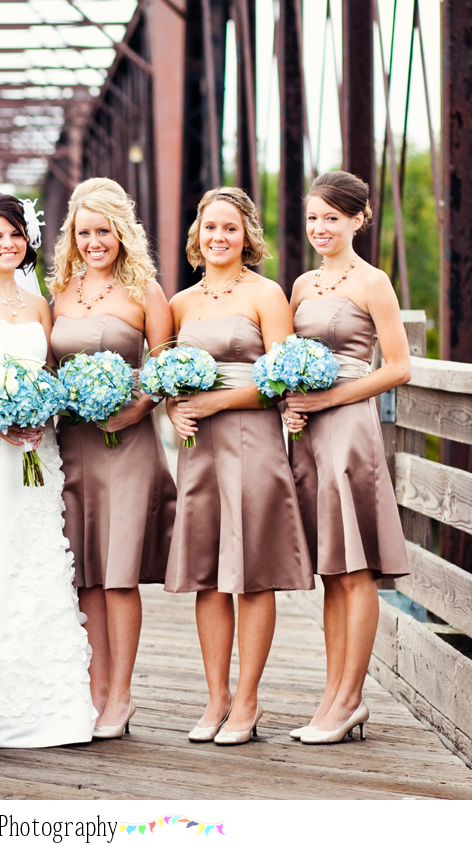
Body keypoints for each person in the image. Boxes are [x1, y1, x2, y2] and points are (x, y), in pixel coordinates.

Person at [0, 194, 96, 747]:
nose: (8, 244)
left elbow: (48, 373)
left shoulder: (38, 304)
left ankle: (43, 700)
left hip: (35, 448)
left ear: (27, 241)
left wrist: (38, 413)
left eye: (16, 234)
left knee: (32, 556)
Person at [164, 187, 313, 745]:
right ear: (197, 235)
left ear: (247, 235)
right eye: (210, 227)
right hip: (198, 449)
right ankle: (216, 698)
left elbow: (284, 378)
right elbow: (165, 378)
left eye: (230, 227)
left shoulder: (266, 294)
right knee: (207, 574)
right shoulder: (181, 303)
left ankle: (248, 700)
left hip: (252, 442)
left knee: (250, 572)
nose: (219, 237)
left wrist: (217, 403)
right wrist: (175, 408)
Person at [284, 171, 411, 744]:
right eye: (313, 217)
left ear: (358, 220)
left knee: (356, 569)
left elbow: (398, 367)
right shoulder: (302, 284)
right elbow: (285, 357)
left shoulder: (373, 282)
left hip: (350, 427)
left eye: (332, 218)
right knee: (331, 570)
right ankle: (331, 698)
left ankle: (350, 699)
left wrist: (329, 399)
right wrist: (289, 403)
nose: (320, 228)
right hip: (309, 432)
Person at [48, 177, 176, 739]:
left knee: (119, 575)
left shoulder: (145, 290)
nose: (94, 242)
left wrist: (138, 408)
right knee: (85, 574)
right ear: (71, 237)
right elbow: (47, 368)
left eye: (103, 231)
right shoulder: (60, 291)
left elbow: (165, 368)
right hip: (73, 444)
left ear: (122, 232)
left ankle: (121, 696)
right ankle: (95, 690)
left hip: (127, 444)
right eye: (84, 233)